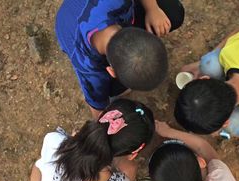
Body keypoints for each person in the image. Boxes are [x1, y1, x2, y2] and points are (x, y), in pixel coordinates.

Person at [55, 0, 184, 118]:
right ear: (111, 71)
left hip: (103, 9)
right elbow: (97, 106)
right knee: (114, 89)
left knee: (174, 13)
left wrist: (153, 9)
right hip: (68, 23)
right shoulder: (87, 65)